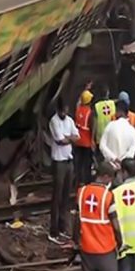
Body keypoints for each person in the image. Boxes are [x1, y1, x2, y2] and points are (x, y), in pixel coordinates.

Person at [76, 161, 122, 271]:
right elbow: (115, 225)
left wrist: (76, 241)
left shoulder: (81, 192)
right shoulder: (108, 196)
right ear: (106, 177)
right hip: (106, 251)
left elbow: (77, 219)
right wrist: (121, 242)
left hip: (87, 249)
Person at [48, 98, 79, 244]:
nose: (65, 113)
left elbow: (77, 137)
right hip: (59, 161)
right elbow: (60, 140)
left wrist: (69, 138)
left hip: (69, 160)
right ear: (58, 110)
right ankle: (53, 230)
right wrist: (70, 138)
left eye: (66, 110)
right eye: (63, 111)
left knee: (66, 196)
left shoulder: (69, 120)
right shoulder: (54, 121)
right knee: (57, 196)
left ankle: (62, 227)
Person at [99, 100, 135, 166]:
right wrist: (122, 161)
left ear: (120, 112)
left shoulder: (110, 125)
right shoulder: (132, 131)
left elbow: (102, 145)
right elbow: (132, 151)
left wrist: (114, 158)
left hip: (110, 166)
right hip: (124, 168)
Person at [75, 90, 95, 185]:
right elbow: (92, 127)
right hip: (87, 142)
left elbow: (79, 102)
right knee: (87, 164)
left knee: (78, 163)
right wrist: (92, 141)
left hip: (78, 141)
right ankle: (86, 181)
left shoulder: (78, 109)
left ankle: (78, 181)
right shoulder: (89, 113)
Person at [93, 85, 116, 149]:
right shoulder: (113, 104)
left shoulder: (96, 106)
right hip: (112, 134)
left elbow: (94, 123)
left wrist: (92, 138)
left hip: (100, 135)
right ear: (108, 93)